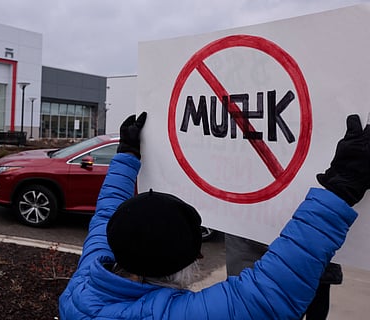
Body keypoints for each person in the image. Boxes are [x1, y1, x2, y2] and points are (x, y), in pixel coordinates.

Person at [59, 112, 370, 319]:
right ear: (179, 268)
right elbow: (269, 295)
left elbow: (106, 212)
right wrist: (341, 186)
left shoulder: (87, 281)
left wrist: (126, 154)